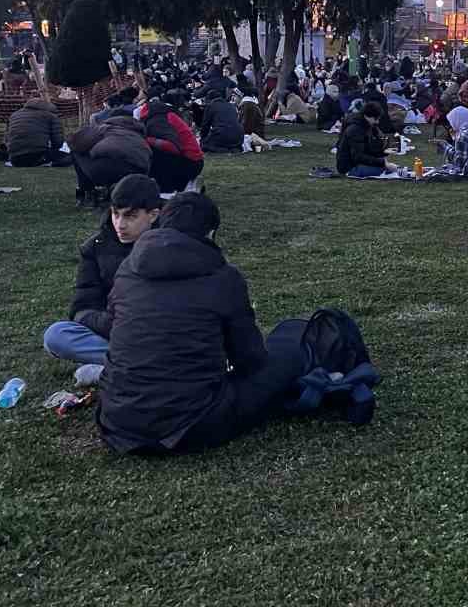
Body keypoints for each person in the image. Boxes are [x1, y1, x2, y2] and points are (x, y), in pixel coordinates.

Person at [97, 194, 309, 454]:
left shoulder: (127, 270)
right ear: (210, 233)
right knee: (292, 345)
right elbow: (250, 360)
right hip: (190, 424)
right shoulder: (223, 278)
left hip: (116, 422)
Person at [42, 175, 163, 366]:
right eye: (116, 214)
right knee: (56, 335)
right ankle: (136, 365)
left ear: (153, 215)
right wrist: (115, 325)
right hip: (115, 330)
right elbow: (82, 307)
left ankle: (123, 366)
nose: (120, 225)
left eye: (130, 216)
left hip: (159, 332)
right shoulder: (96, 247)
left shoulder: (171, 244)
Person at [66, 110, 153, 206]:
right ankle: (114, 192)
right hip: (138, 171)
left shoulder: (105, 127)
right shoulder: (139, 133)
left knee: (76, 151)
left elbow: (76, 141)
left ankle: (87, 193)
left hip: (105, 169)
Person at [136, 91, 205, 193]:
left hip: (190, 163)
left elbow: (171, 146)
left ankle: (174, 188)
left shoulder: (156, 121)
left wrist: (145, 140)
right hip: (195, 160)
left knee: (153, 155)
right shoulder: (167, 114)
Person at [4, 97, 67, 168]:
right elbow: (57, 142)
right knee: (70, 157)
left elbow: (6, 139)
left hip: (14, 159)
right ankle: (46, 163)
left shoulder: (14, 115)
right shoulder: (51, 116)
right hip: (38, 156)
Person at [337, 101, 393, 178]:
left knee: (389, 168)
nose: (377, 121)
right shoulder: (355, 129)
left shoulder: (366, 126)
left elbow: (368, 148)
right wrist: (382, 163)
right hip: (349, 167)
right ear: (368, 116)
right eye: (376, 118)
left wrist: (383, 152)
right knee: (387, 171)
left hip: (354, 164)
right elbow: (358, 157)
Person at [198, 89, 243, 153]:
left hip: (222, 135)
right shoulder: (231, 106)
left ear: (209, 99)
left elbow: (205, 126)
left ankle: (224, 150)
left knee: (205, 145)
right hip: (238, 137)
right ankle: (233, 149)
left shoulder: (210, 106)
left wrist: (202, 139)